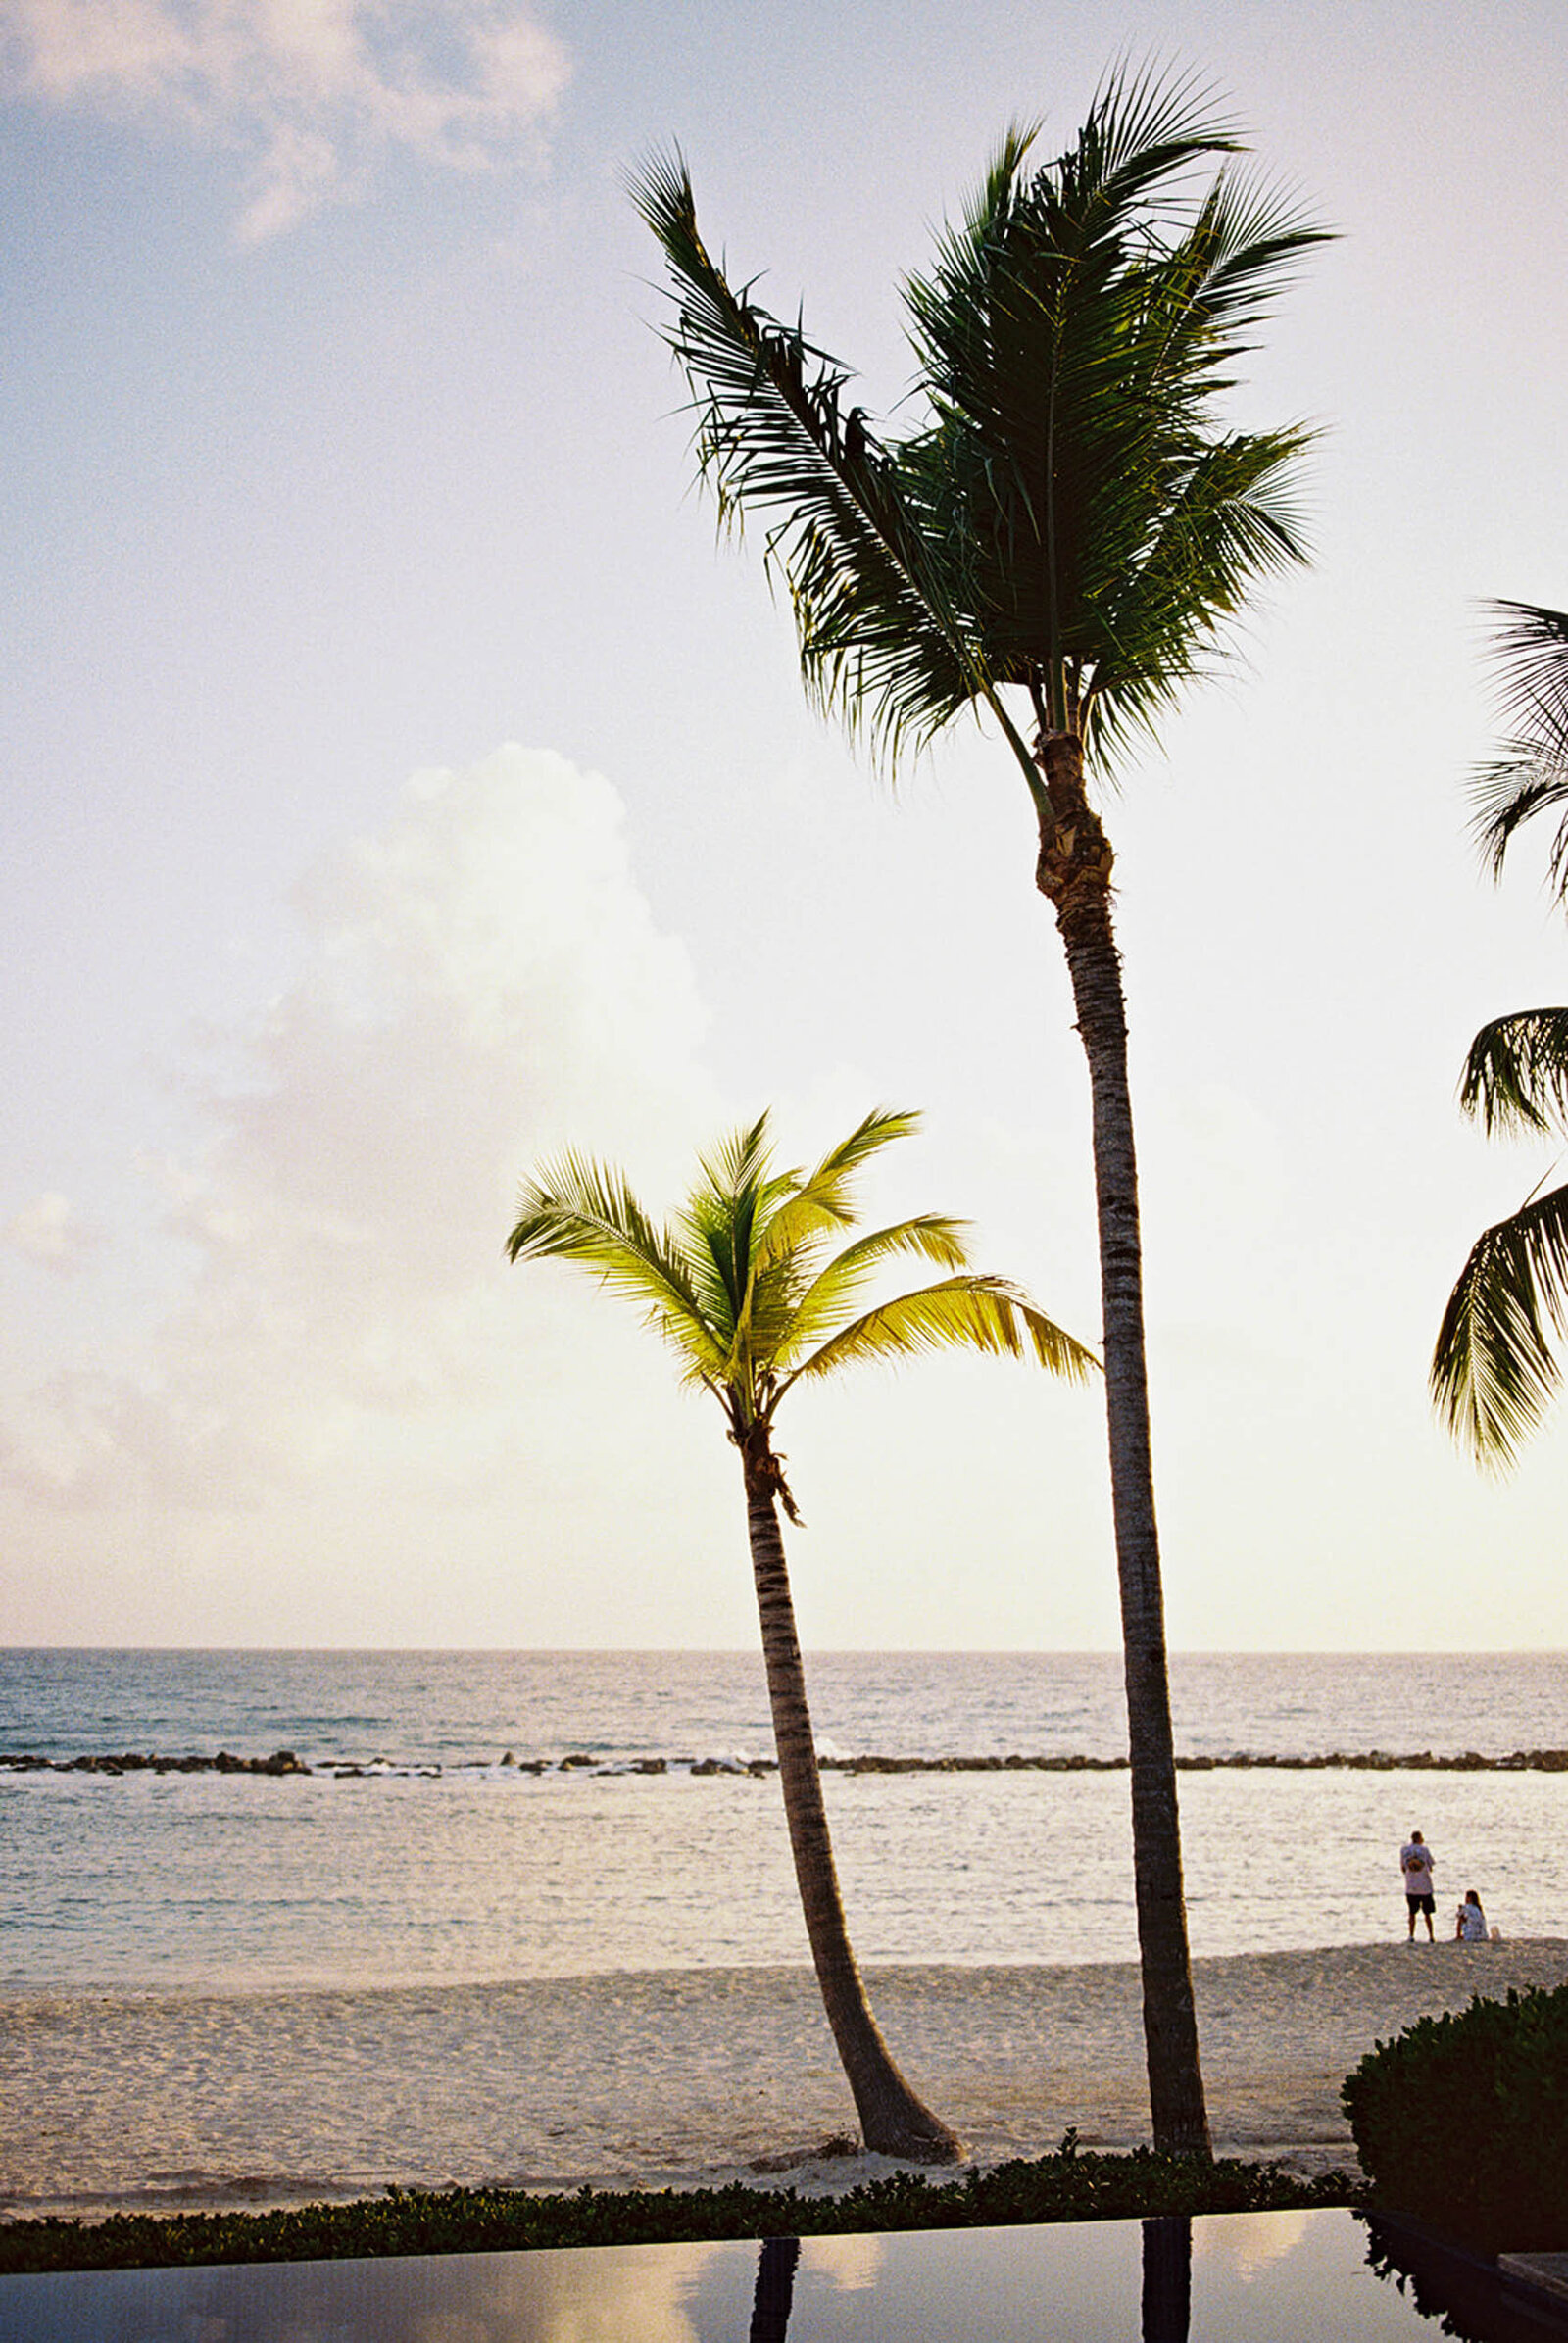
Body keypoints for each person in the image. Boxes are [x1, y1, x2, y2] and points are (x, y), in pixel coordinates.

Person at [1400, 1829, 1436, 1939]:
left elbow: (1403, 1868)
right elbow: (1430, 1866)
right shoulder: (1424, 1850)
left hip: (1411, 1887)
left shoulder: (1404, 1850)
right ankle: (1431, 1936)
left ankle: (1411, 1935)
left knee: (1412, 1913)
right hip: (1425, 1886)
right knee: (1427, 1914)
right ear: (1420, 1839)